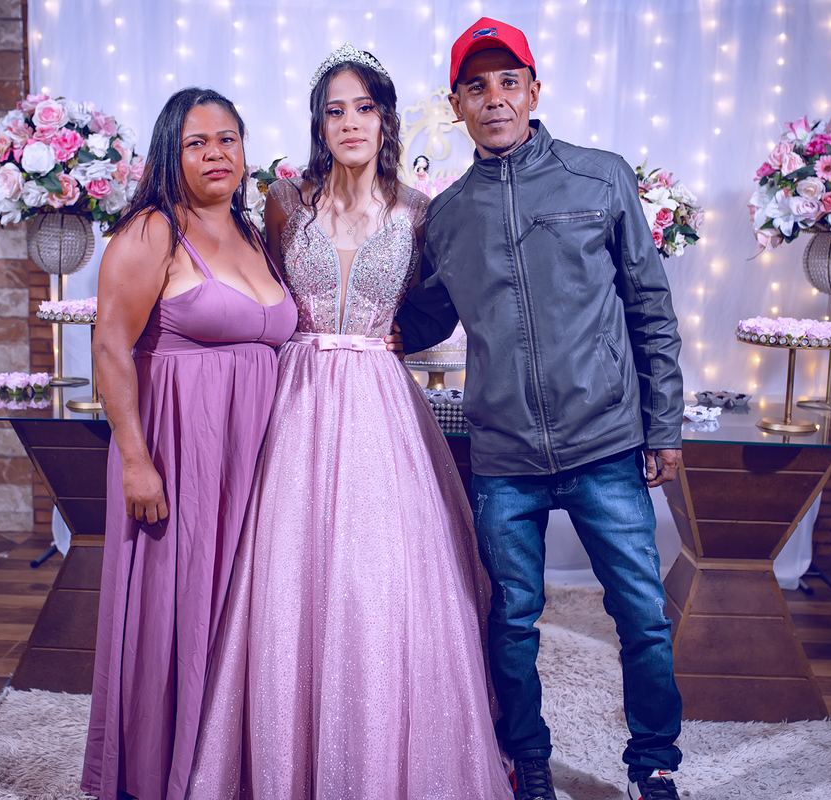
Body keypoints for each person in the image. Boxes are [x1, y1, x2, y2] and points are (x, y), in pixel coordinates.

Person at [188, 44, 513, 799]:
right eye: (335, 111)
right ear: (319, 124)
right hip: (295, 400)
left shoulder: (421, 211)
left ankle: (384, 750)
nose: (350, 123)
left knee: (381, 577)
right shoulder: (284, 201)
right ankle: (284, 750)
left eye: (364, 108)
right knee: (286, 572)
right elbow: (254, 288)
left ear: (386, 119)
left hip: (377, 401)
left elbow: (442, 302)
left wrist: (410, 334)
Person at [395, 18, 686, 800]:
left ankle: (654, 764)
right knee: (510, 622)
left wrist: (663, 425)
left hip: (606, 443)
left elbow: (649, 307)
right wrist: (342, 317)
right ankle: (526, 762)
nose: (494, 98)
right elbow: (424, 319)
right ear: (456, 106)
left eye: (508, 81)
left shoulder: (600, 177)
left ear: (533, 90)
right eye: (476, 87)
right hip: (504, 456)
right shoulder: (448, 215)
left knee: (643, 616)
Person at [81, 87, 297, 800]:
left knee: (240, 608)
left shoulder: (254, 233)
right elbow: (111, 348)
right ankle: (158, 775)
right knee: (174, 608)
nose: (215, 154)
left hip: (255, 456)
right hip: (179, 451)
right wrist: (136, 462)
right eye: (196, 143)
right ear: (169, 153)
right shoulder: (152, 232)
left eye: (227, 139)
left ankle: (230, 767)